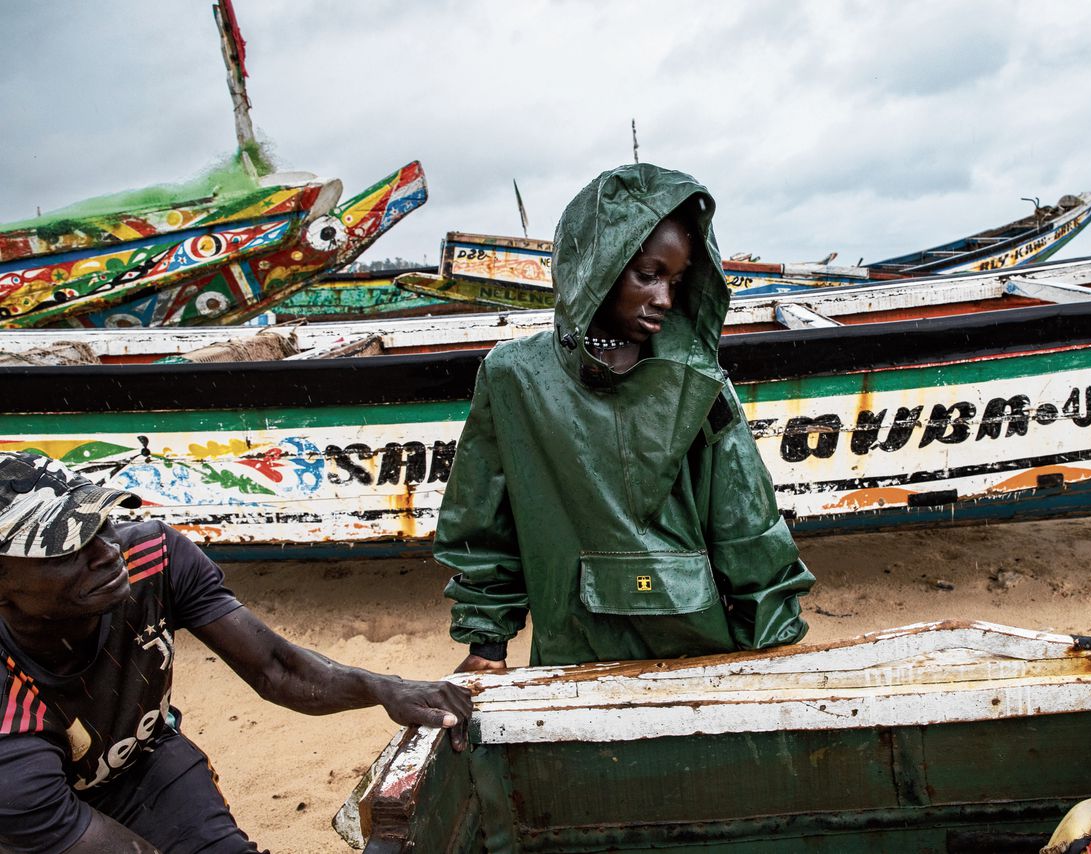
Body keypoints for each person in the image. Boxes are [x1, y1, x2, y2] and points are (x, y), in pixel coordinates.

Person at [437, 163, 814, 671]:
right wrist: (486, 646)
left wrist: (771, 649)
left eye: (677, 281)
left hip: (698, 649)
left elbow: (747, 528)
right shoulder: (513, 377)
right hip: (572, 652)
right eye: (648, 274)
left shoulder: (699, 383)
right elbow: (483, 525)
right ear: (599, 264)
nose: (663, 299)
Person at [0, 451, 472, 854]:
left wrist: (384, 687)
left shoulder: (153, 558)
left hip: (139, 759)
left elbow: (276, 668)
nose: (105, 552)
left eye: (101, 523)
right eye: (67, 546)